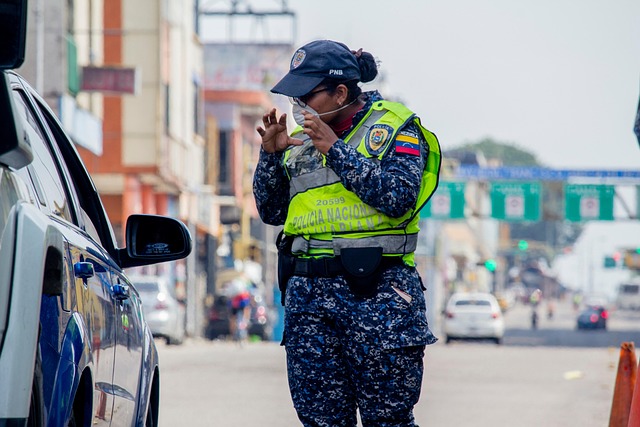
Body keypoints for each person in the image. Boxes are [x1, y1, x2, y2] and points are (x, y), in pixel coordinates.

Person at [253, 39, 441, 427]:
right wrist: (270, 157)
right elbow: (272, 211)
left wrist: (335, 149)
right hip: (309, 304)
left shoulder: (394, 128)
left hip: (380, 299)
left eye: (307, 95)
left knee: (387, 421)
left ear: (340, 92)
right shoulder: (300, 142)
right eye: (294, 97)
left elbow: (399, 197)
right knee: (321, 422)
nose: (299, 106)